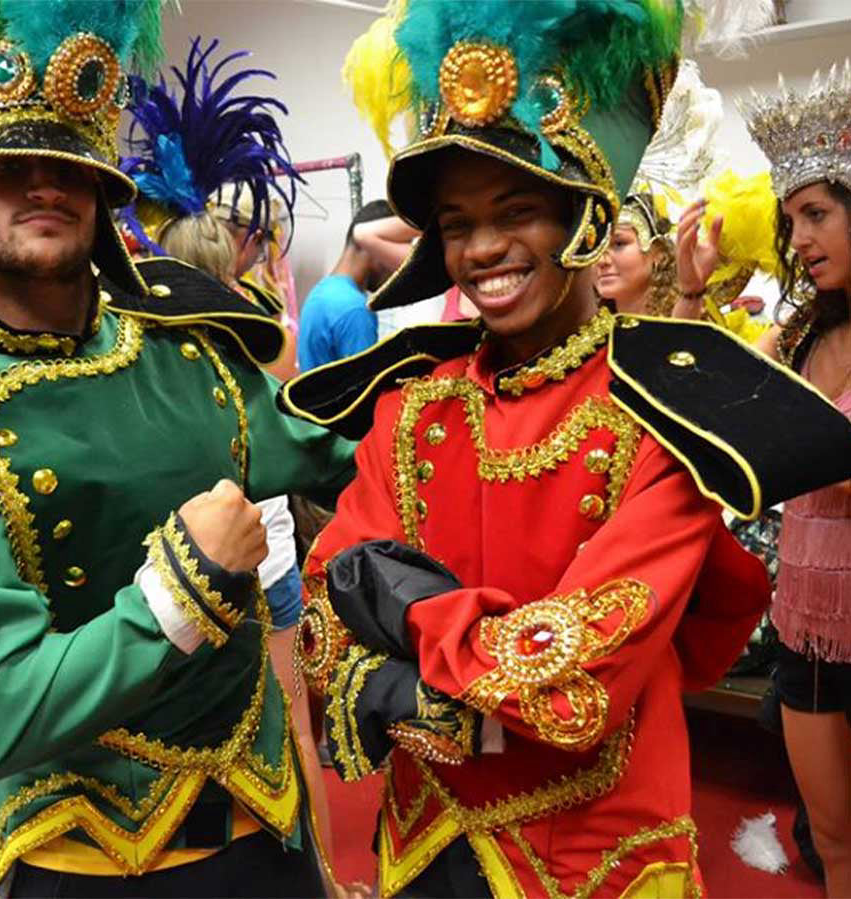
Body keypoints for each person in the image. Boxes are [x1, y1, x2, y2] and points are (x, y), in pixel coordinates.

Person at [0, 3, 357, 897]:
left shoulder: (185, 346)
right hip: (88, 866)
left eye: (67, 167)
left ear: (99, 191)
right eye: (10, 169)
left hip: (267, 833)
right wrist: (182, 585)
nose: (43, 185)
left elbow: (330, 449)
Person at [280, 2, 851, 897]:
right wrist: (398, 634)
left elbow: (569, 683)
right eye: (458, 223)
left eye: (517, 211)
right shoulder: (410, 409)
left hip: (600, 857)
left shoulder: (665, 415)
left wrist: (399, 610)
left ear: (586, 217)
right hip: (424, 843)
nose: (483, 249)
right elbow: (320, 616)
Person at [120, 41, 351, 897]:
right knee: (280, 721)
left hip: (229, 562)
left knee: (232, 725)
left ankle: (311, 876)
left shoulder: (151, 348)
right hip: (257, 555)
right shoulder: (262, 340)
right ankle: (317, 878)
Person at [682, 61, 851, 897]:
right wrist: (687, 293)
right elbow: (706, 417)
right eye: (792, 222)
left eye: (817, 214)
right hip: (808, 627)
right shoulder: (794, 337)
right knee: (830, 836)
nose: (802, 240)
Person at [298, 199, 395, 371]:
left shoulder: (321, 291)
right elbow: (364, 390)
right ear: (374, 247)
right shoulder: (355, 310)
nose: (396, 271)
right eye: (391, 255)